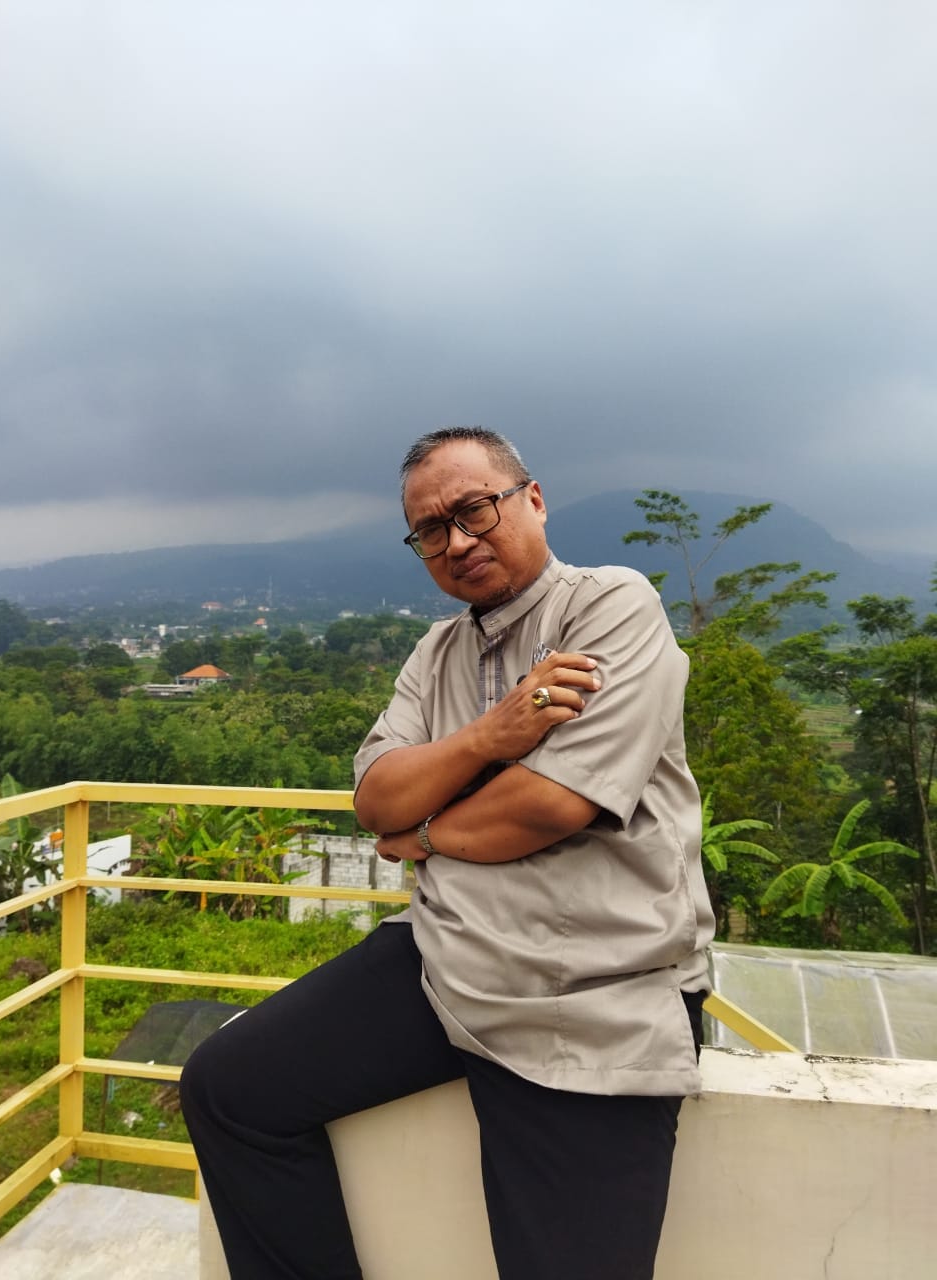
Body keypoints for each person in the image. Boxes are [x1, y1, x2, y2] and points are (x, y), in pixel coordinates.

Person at [181, 426, 715, 1280]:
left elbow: (550, 804)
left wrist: (424, 834)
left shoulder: (609, 605)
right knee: (229, 1090)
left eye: (475, 510)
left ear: (533, 499)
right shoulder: (436, 654)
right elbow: (375, 798)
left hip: (593, 989)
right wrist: (490, 737)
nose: (458, 542)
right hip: (443, 958)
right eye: (431, 529)